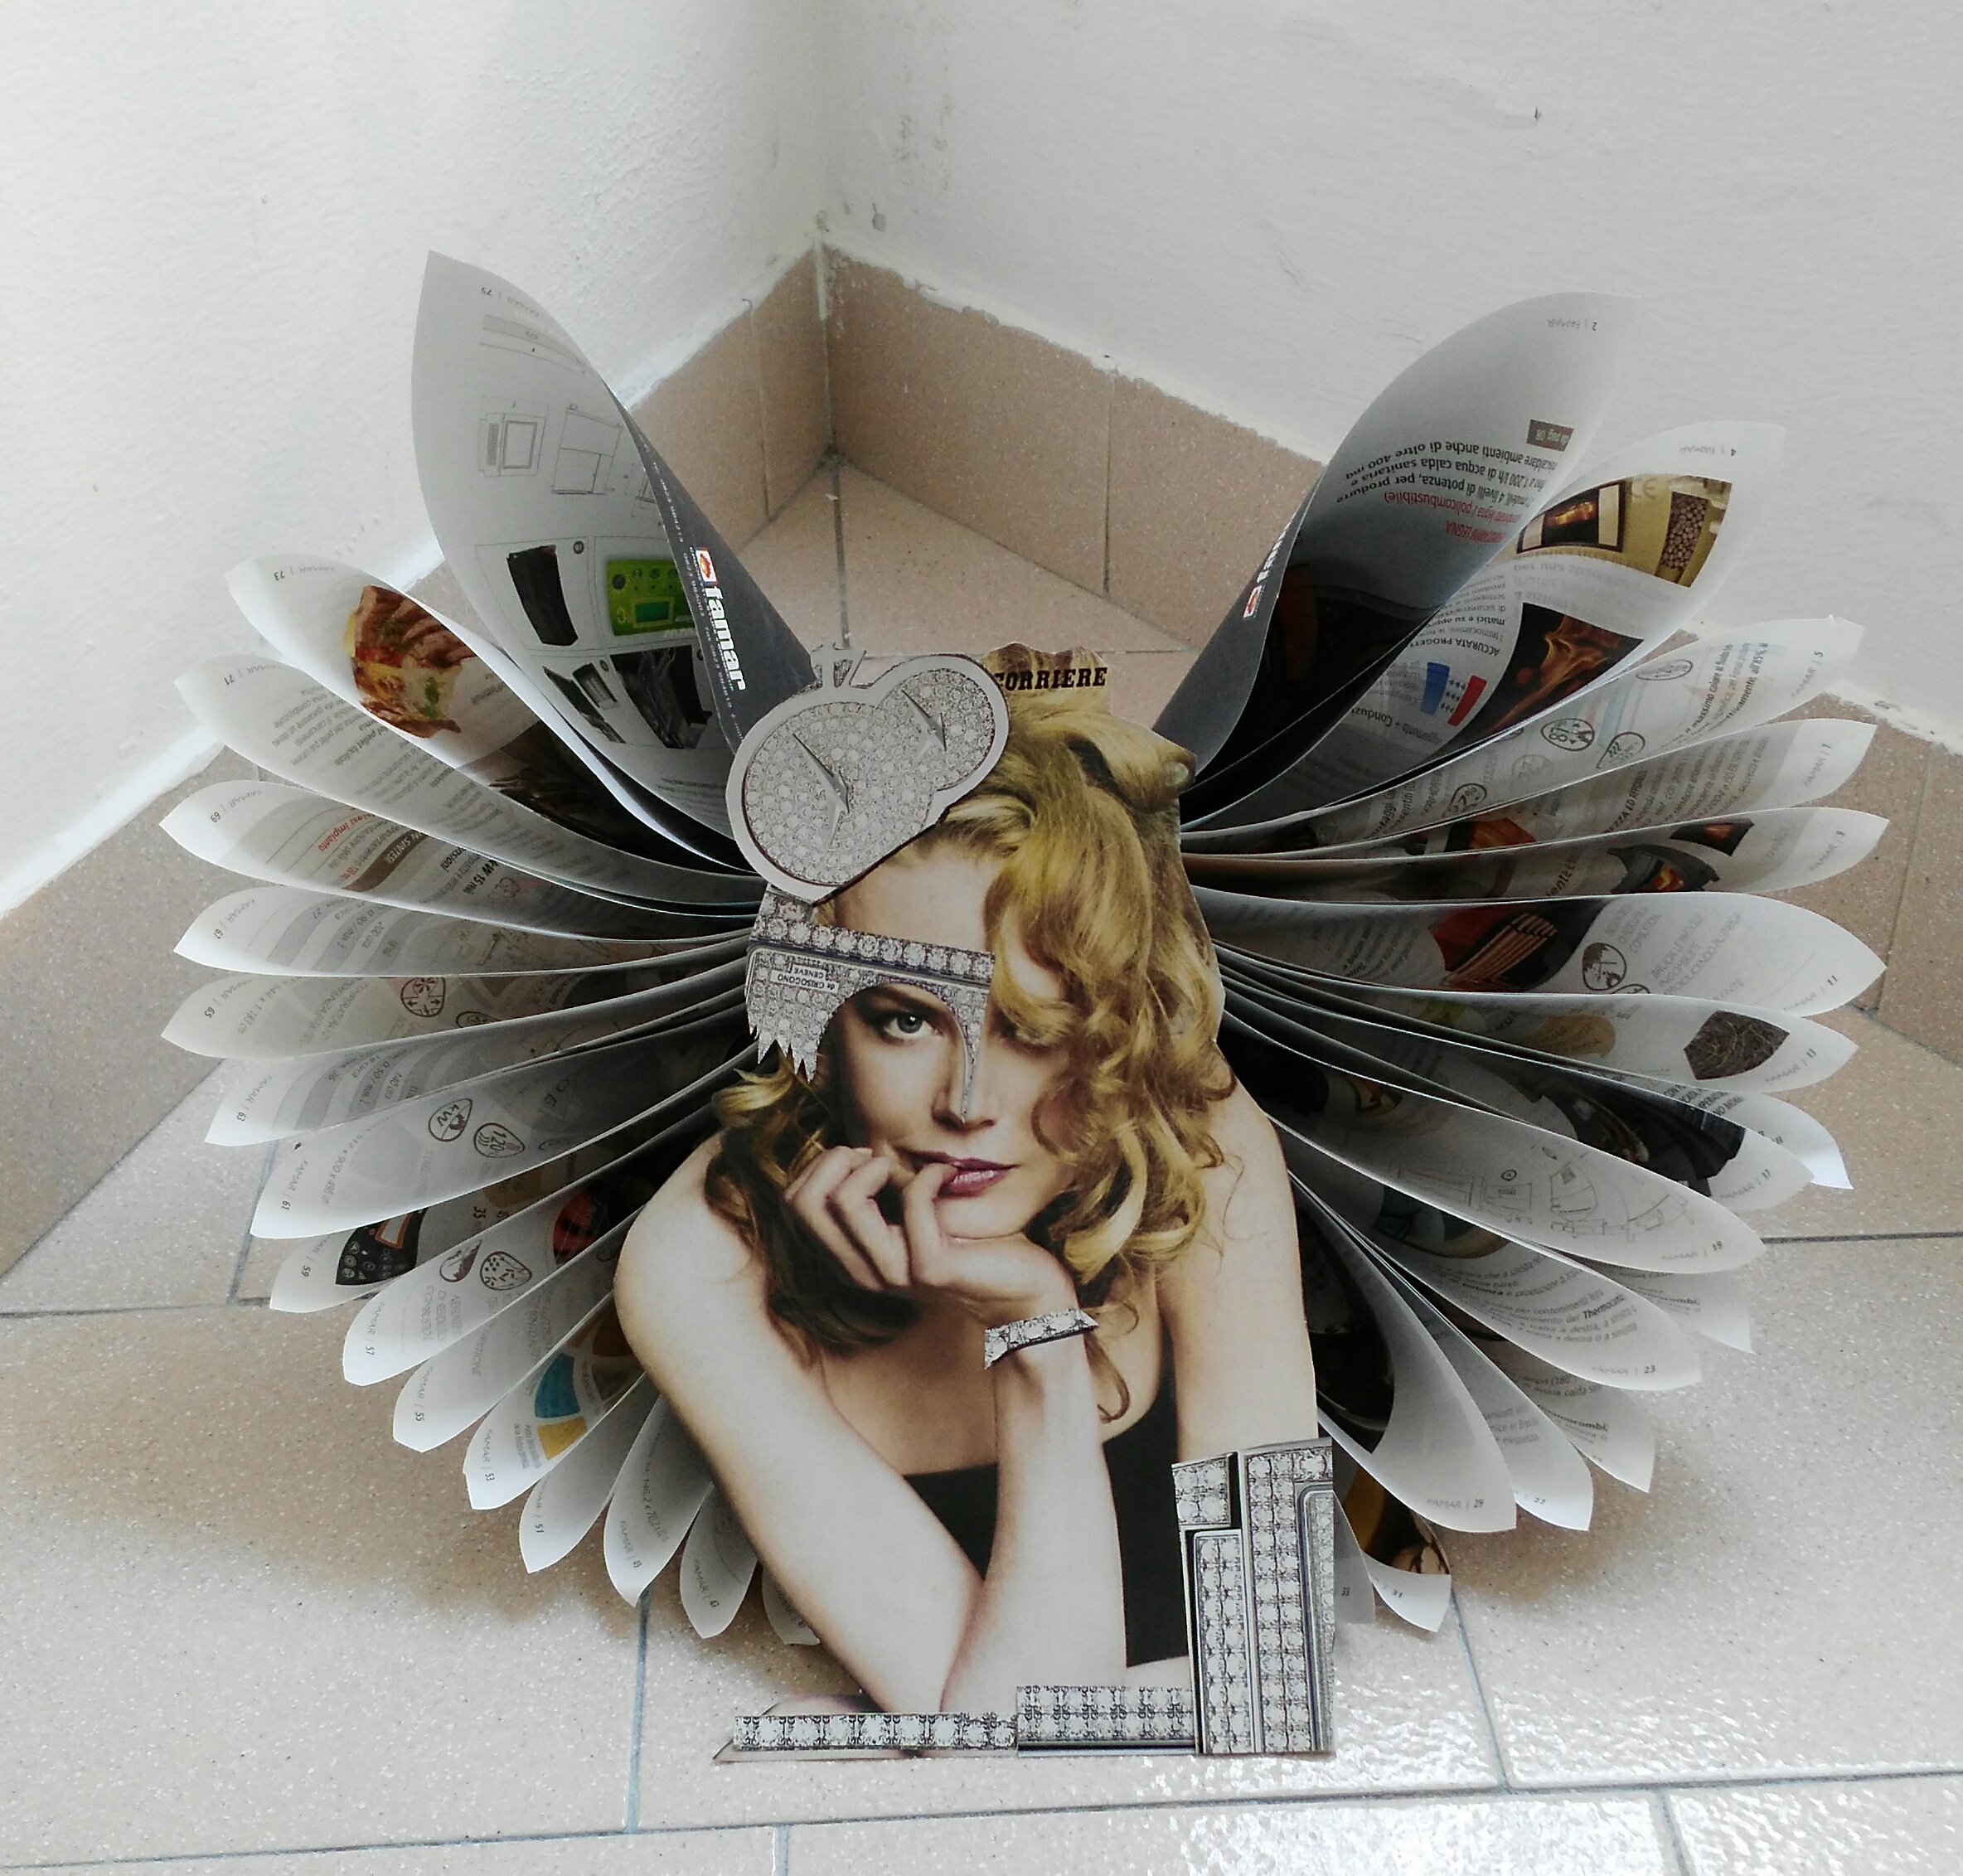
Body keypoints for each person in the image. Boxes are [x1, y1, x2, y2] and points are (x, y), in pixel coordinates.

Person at [614, 656, 1318, 1716]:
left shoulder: (1192, 1132)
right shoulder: (700, 1262)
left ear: (1119, 1025)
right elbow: (1015, 1737)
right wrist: (1039, 1347)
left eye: (1034, 1029)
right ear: (821, 1015)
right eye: (905, 1019)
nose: (969, 1103)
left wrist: (1034, 1317)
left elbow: (1269, 1661)